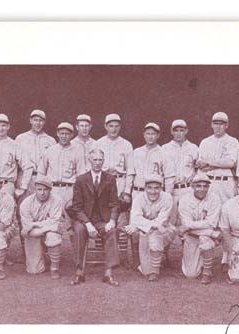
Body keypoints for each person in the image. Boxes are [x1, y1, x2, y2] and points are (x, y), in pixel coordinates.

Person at [68, 148, 120, 286]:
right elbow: (76, 207)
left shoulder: (110, 179)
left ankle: (108, 273)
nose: (97, 163)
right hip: (84, 219)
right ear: (90, 160)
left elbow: (115, 203)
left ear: (104, 161)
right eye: (95, 160)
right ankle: (79, 271)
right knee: (78, 231)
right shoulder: (80, 179)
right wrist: (87, 223)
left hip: (103, 220)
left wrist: (112, 220)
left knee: (112, 231)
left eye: (100, 160)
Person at [127, 122, 174, 266]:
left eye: (153, 133)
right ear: (143, 134)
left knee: (161, 227)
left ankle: (160, 255)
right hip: (138, 192)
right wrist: (127, 192)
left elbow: (170, 177)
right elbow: (130, 174)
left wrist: (167, 195)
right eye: (148, 133)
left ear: (158, 135)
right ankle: (138, 259)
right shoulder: (136, 152)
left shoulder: (164, 152)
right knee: (135, 228)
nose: (150, 136)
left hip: (157, 194)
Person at [94, 113, 134, 265]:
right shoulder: (98, 143)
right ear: (105, 126)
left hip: (120, 181)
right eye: (111, 125)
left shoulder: (126, 144)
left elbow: (130, 170)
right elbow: (92, 167)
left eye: (117, 125)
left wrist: (127, 191)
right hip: (103, 182)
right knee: (101, 218)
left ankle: (122, 255)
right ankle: (100, 254)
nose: (114, 128)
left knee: (121, 221)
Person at [124, 175, 175, 282]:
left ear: (161, 188)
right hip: (145, 232)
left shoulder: (167, 198)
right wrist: (139, 225)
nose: (153, 191)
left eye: (156, 188)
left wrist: (138, 227)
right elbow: (135, 219)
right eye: (150, 188)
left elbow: (161, 221)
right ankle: (154, 262)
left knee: (155, 239)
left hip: (164, 231)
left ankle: (155, 272)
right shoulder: (138, 198)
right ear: (145, 188)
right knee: (145, 270)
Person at [177, 172, 222, 284]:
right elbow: (185, 223)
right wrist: (211, 232)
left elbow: (211, 223)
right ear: (192, 186)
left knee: (205, 241)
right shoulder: (184, 200)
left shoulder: (214, 198)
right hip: (192, 236)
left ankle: (207, 272)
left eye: (205, 186)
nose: (202, 189)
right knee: (190, 274)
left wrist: (189, 226)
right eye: (198, 186)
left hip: (205, 236)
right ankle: (198, 260)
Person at [39, 122, 86, 223]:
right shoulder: (50, 150)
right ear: (57, 134)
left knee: (71, 220)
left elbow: (81, 175)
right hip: (52, 189)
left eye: (67, 134)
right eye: (62, 133)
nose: (64, 136)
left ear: (72, 135)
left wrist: (78, 194)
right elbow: (41, 172)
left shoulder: (77, 150)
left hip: (69, 189)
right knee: (51, 219)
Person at [19, 175, 64, 279]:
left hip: (46, 231)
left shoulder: (57, 200)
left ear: (50, 190)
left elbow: (55, 221)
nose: (42, 192)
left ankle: (54, 268)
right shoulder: (26, 203)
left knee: (53, 235)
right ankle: (41, 255)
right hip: (33, 233)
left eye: (45, 189)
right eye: (39, 189)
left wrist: (34, 225)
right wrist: (48, 227)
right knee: (34, 270)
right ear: (35, 189)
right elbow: (27, 229)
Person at [161, 119, 199, 225]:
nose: (179, 133)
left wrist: (194, 177)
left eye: (181, 130)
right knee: (170, 221)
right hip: (171, 189)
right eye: (176, 130)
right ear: (171, 131)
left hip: (188, 188)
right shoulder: (165, 148)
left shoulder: (193, 147)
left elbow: (198, 168)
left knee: (187, 220)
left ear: (186, 131)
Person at [197, 111, 239, 203]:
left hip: (225, 182)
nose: (218, 126)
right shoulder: (205, 142)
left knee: (227, 212)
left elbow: (231, 163)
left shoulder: (232, 141)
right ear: (212, 124)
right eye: (215, 123)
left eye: (221, 124)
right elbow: (201, 166)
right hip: (209, 182)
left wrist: (208, 163)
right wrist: (221, 163)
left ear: (226, 125)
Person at [13, 109, 56, 199]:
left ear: (44, 122)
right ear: (30, 121)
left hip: (43, 179)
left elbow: (53, 164)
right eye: (35, 120)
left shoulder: (50, 140)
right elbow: (15, 163)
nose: (38, 123)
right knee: (23, 208)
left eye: (41, 120)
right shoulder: (21, 138)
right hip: (24, 179)